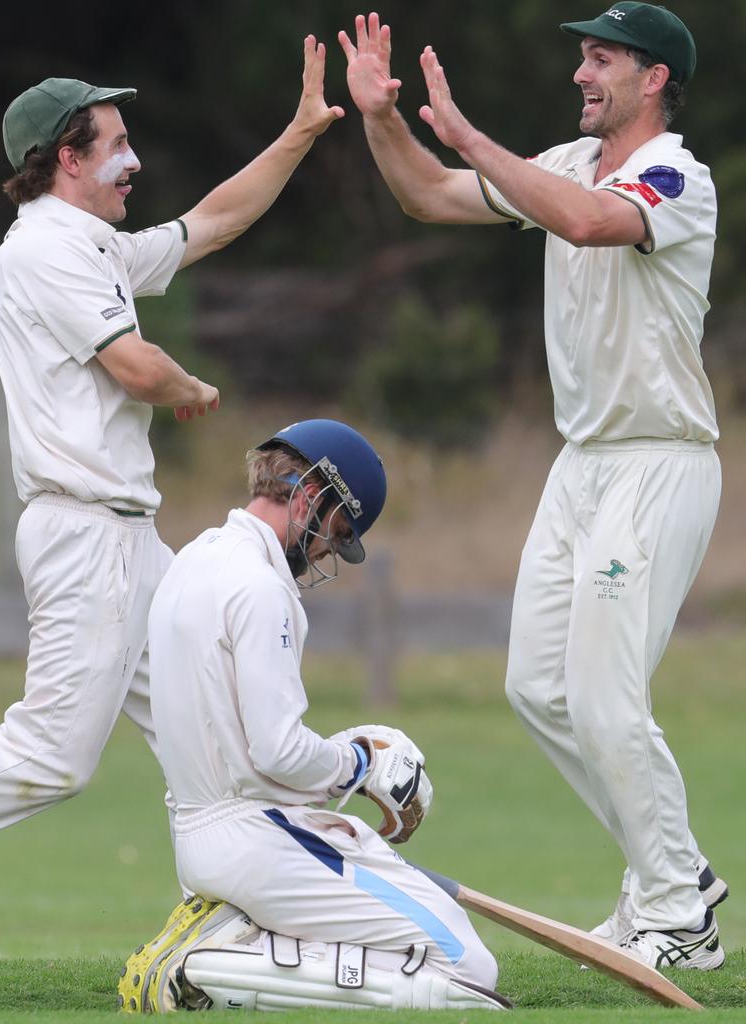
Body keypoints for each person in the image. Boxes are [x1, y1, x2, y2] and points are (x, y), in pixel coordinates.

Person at [339, 4, 727, 971]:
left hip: (658, 459)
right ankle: (670, 879)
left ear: (656, 79)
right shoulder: (559, 162)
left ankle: (680, 914)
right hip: (581, 464)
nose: (581, 74)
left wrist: (470, 132)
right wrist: (384, 118)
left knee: (604, 699)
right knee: (537, 688)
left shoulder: (679, 175)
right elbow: (429, 195)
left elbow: (594, 222)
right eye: (583, 58)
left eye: (603, 60)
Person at [0, 38, 345, 839]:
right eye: (116, 145)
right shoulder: (44, 250)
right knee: (49, 758)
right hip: (86, 535)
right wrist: (194, 389)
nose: (133, 161)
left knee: (211, 724)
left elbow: (211, 223)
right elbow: (138, 370)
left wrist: (300, 133)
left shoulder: (93, 245)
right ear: (67, 160)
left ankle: (262, 896)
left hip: (128, 541)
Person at [117, 419, 510, 1014]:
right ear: (310, 494)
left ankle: (241, 937)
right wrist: (360, 762)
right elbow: (277, 751)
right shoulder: (260, 587)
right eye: (337, 529)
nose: (328, 549)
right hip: (257, 837)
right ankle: (210, 960)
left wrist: (345, 769)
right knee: (467, 966)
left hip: (202, 831)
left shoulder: (193, 559)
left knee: (430, 926)